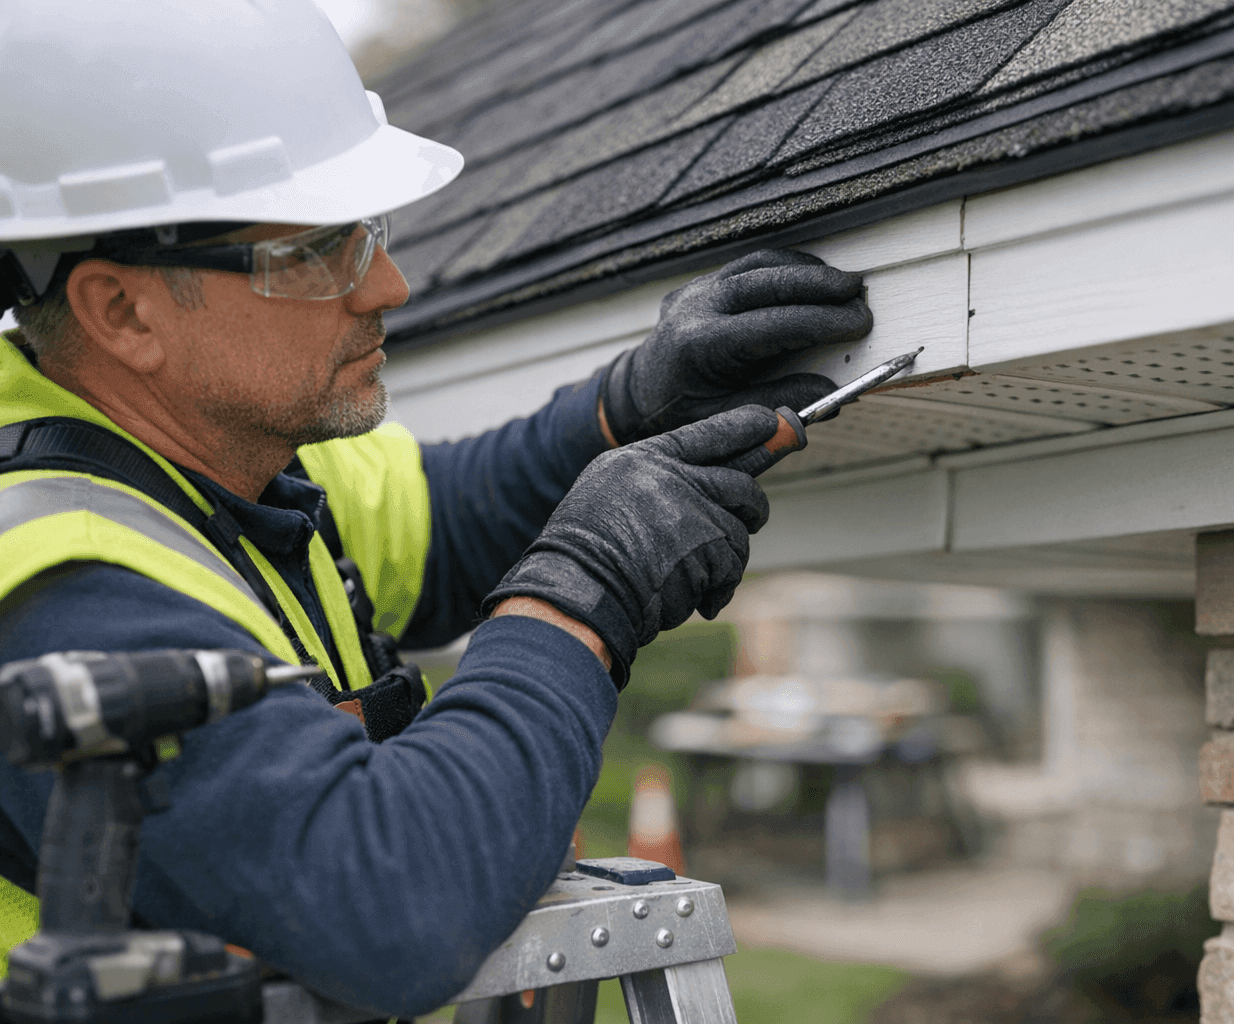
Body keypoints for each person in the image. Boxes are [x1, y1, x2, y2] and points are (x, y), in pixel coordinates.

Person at [0, 0, 872, 1014]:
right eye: (316, 252)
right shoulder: (62, 594)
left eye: (369, 233)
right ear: (123, 310)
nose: (389, 285)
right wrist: (583, 595)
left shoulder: (205, 457)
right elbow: (390, 905)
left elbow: (443, 519)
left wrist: (622, 406)